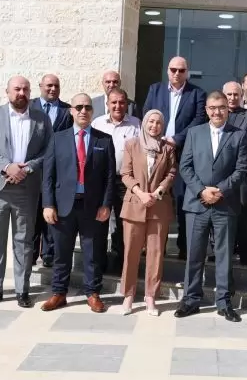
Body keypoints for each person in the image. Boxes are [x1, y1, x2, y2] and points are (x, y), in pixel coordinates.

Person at [0, 76, 53, 308]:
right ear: (7, 91)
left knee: (24, 242)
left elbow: (48, 150)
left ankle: (22, 290)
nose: (21, 93)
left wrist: (26, 169)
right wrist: (6, 166)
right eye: (17, 89)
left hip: (26, 189)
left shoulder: (41, 118)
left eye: (25, 89)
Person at [174, 91, 247, 322]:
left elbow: (241, 169)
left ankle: (224, 302)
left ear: (228, 109)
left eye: (221, 107)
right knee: (194, 254)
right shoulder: (194, 133)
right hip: (197, 204)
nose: (217, 112)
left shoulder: (238, 135)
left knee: (224, 255)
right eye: (212, 108)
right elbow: (185, 166)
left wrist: (219, 191)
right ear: (206, 110)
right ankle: (191, 300)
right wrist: (202, 191)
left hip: (225, 204)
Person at [39, 94, 115, 313]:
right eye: (79, 107)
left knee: (93, 254)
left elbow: (110, 177)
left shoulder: (104, 140)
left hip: (92, 207)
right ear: (71, 111)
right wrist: (48, 204)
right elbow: (48, 175)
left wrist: (106, 204)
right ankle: (59, 293)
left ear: (92, 111)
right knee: (62, 253)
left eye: (87, 107)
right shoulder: (57, 138)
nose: (83, 111)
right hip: (63, 207)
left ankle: (92, 293)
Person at [143, 56, 207, 259]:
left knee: (181, 200)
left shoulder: (197, 93)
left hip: (183, 153)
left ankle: (184, 248)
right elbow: (147, 115)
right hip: (157, 152)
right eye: (173, 69)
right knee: (155, 198)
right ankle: (154, 247)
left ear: (187, 72)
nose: (177, 73)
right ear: (167, 71)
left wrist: (176, 139)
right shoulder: (155, 90)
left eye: (181, 70)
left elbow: (199, 120)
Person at [119, 110, 177, 316]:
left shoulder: (168, 148)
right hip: (135, 204)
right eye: (151, 121)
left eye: (159, 122)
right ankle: (128, 295)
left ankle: (151, 296)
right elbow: (125, 173)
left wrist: (159, 191)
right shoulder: (132, 144)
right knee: (131, 252)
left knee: (156, 253)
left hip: (158, 206)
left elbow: (171, 173)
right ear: (144, 123)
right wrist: (140, 193)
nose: (154, 126)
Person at [92, 87, 141, 273]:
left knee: (123, 223)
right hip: (101, 180)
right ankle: (99, 263)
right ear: (107, 104)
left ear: (127, 104)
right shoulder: (97, 123)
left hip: (124, 181)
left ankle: (121, 264)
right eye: (114, 102)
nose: (118, 106)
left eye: (121, 102)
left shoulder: (136, 124)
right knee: (99, 221)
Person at [30, 74, 73, 268]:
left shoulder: (67, 110)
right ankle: (30, 255)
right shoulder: (29, 106)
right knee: (32, 215)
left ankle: (48, 255)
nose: (53, 89)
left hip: (56, 170)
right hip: (32, 170)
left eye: (56, 85)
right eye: (49, 85)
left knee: (52, 212)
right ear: (40, 86)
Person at [223, 81, 247, 265]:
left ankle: (245, 253)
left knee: (243, 213)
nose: (232, 98)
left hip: (242, 170)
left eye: (236, 94)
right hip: (220, 171)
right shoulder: (218, 114)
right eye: (229, 94)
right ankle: (222, 251)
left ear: (241, 96)